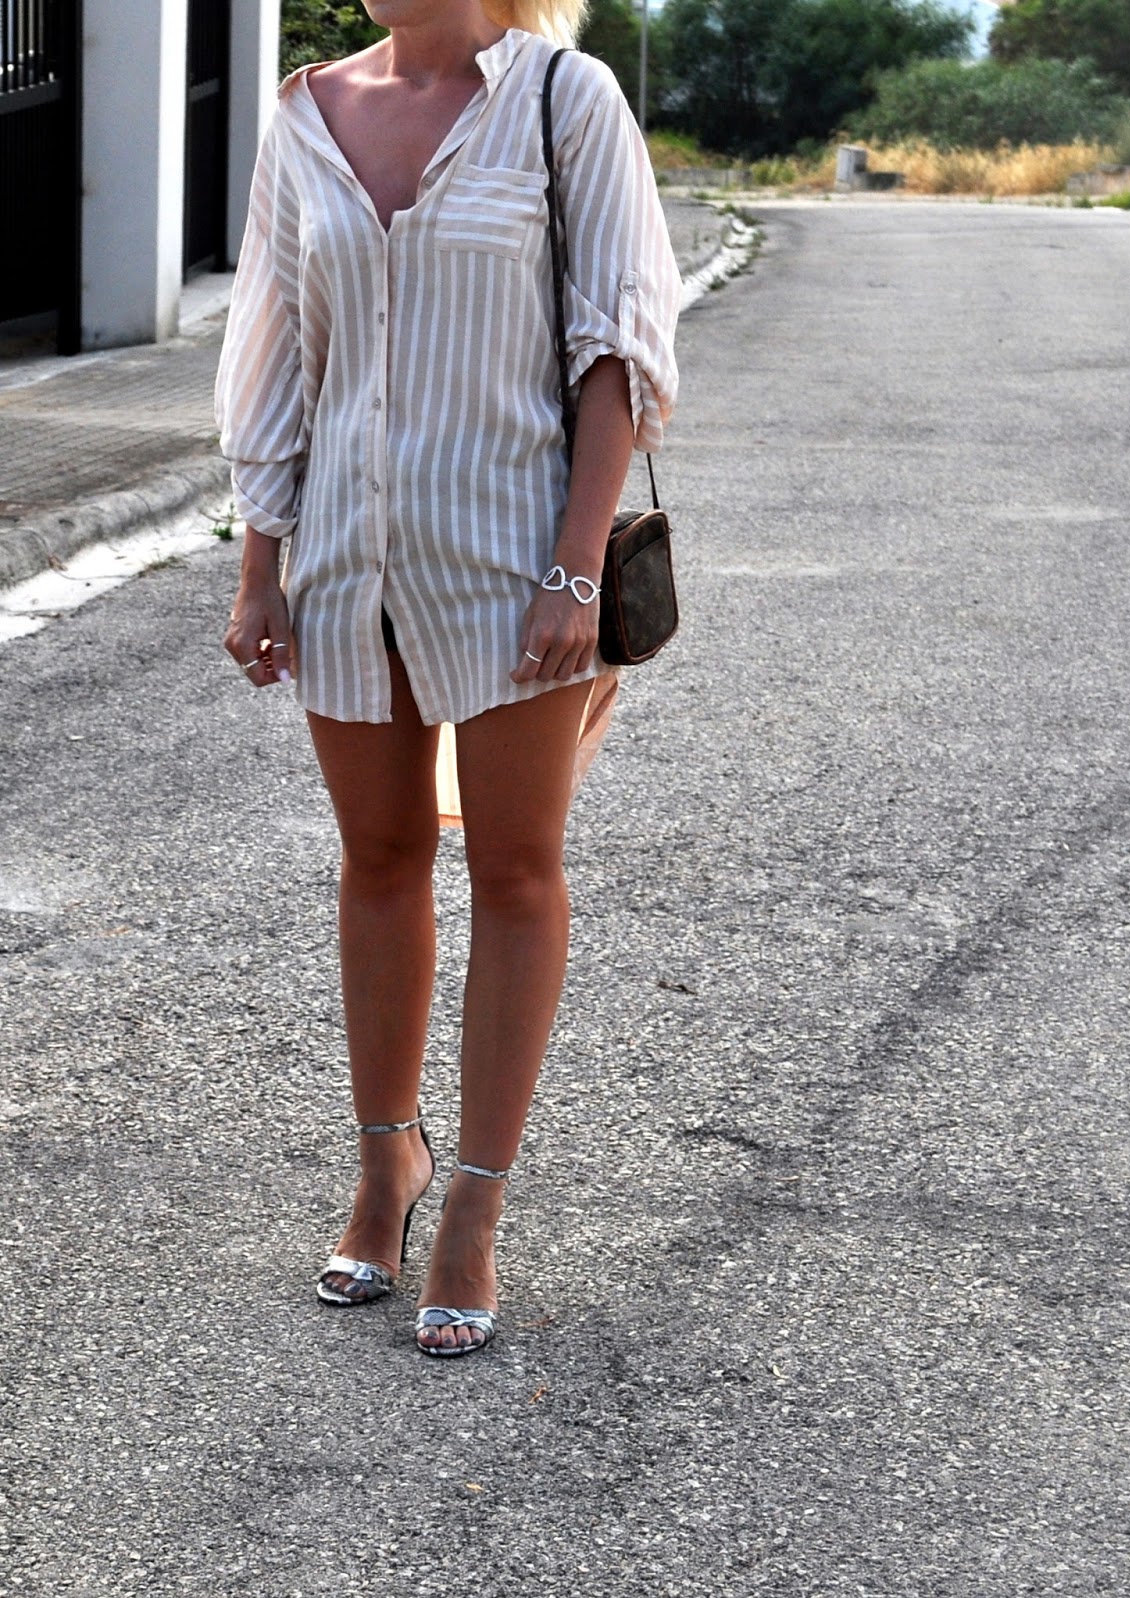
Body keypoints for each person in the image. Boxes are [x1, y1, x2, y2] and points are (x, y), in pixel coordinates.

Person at [215, 0, 680, 1357]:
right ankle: (387, 1164)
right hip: (343, 558)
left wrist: (576, 570)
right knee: (378, 858)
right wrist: (259, 567)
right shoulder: (305, 115)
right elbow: (276, 354)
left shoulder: (564, 100)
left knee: (517, 870)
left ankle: (475, 1198)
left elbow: (615, 351)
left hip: (513, 560)